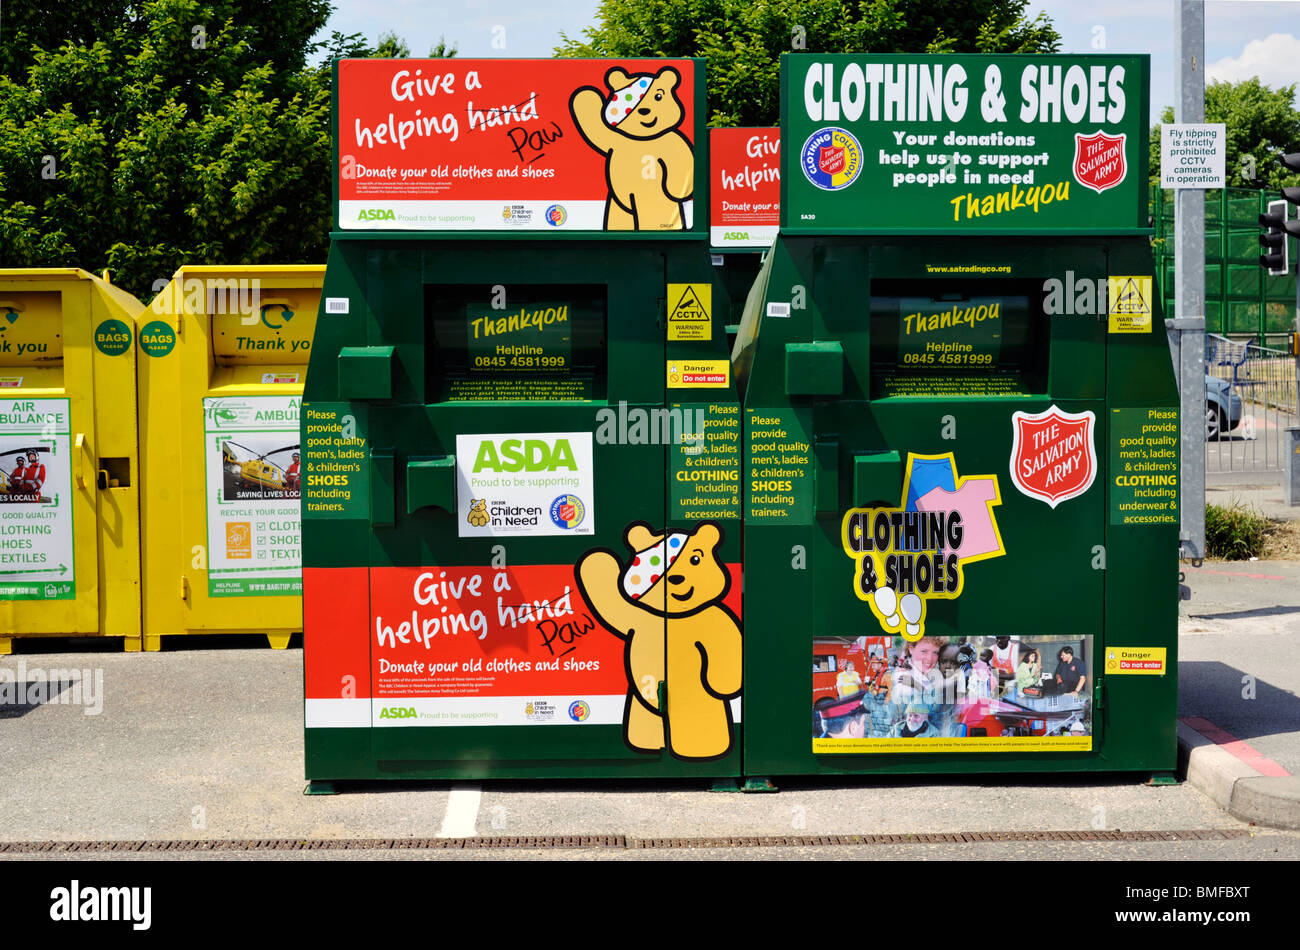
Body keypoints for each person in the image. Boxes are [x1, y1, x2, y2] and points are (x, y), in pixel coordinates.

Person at [889, 636, 946, 705]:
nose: (930, 658)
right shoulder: (904, 677)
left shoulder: (934, 674)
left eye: (935, 653)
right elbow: (929, 707)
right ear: (911, 649)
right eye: (924, 651)